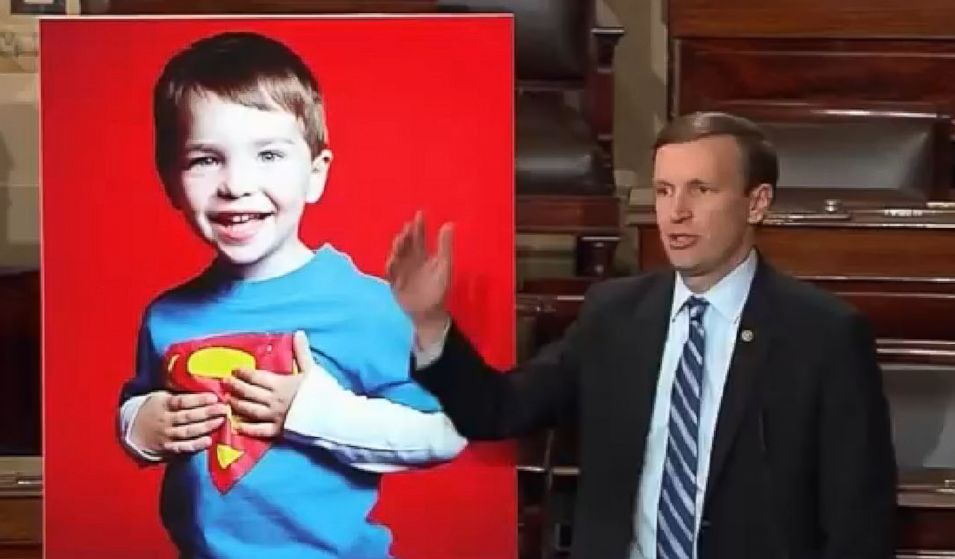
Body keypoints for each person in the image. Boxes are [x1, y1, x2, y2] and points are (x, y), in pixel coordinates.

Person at [387, 112, 897, 559]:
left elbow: (859, 522)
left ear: (757, 202)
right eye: (664, 190)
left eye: (701, 190)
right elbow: (499, 410)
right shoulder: (615, 315)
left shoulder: (822, 335)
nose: (676, 212)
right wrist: (430, 324)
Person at [115, 31, 465, 559]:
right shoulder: (167, 316)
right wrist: (139, 425)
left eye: (269, 155)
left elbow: (448, 432)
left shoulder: (366, 307)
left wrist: (313, 412)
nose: (236, 184)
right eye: (205, 159)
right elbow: (138, 397)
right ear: (170, 181)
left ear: (316, 174)